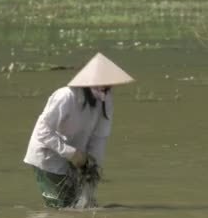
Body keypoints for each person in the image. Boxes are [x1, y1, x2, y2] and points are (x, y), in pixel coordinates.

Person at [23, 52, 135, 208]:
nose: (103, 87)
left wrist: (93, 168)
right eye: (99, 82)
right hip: (48, 157)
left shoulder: (105, 99)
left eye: (107, 84)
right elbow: (43, 132)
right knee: (60, 207)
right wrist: (71, 153)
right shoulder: (65, 96)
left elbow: (99, 137)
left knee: (81, 206)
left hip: (78, 158)